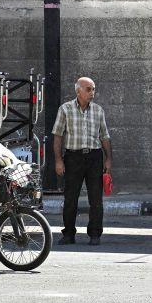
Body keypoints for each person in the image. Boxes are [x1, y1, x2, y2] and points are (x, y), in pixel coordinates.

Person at [53, 77, 112, 246]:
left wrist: (108, 159)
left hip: (94, 157)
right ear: (78, 91)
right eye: (88, 89)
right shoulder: (65, 109)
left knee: (96, 198)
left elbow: (105, 136)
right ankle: (69, 233)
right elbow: (58, 135)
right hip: (73, 157)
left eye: (93, 89)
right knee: (71, 197)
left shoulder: (98, 111)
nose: (92, 92)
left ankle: (95, 234)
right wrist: (58, 161)